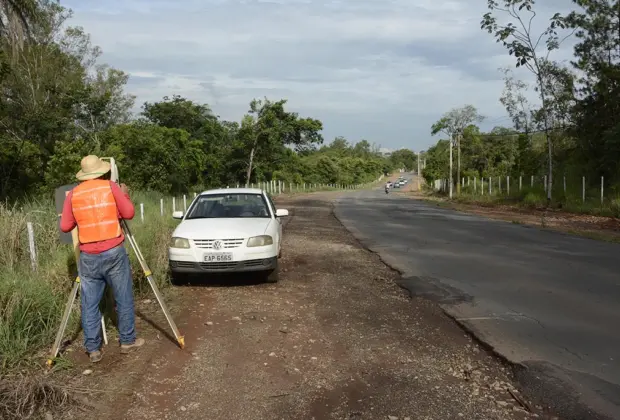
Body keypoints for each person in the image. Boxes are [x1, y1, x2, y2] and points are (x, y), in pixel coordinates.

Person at [60, 155, 145, 363]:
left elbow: (65, 226)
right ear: (102, 170)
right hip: (114, 251)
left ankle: (93, 348)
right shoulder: (110, 187)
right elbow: (129, 213)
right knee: (122, 296)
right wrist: (124, 195)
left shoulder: (73, 195)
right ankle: (127, 341)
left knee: (90, 302)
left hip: (88, 255)